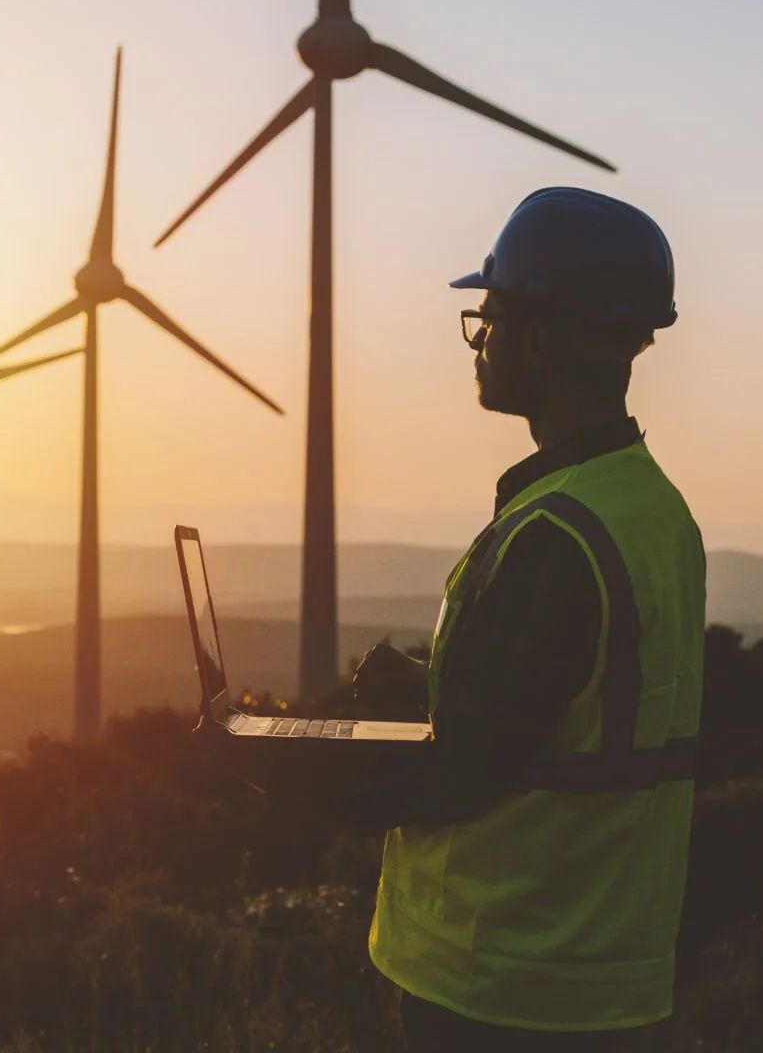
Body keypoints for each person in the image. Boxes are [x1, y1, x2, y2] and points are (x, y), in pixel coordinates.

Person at [213, 187, 705, 1051]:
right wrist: (437, 681)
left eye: (488, 320)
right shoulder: (650, 510)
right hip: (607, 975)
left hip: (503, 983)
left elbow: (454, 778)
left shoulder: (554, 536)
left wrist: (262, 754)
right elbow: (576, 715)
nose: (479, 344)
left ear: (540, 340)